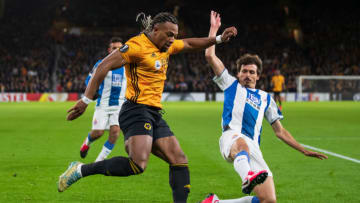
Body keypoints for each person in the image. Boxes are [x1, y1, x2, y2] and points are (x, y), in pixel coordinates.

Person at [58, 11, 237, 203]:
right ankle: (80, 170)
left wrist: (218, 39)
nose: (172, 39)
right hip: (135, 110)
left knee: (179, 159)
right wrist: (85, 101)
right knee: (138, 164)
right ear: (155, 29)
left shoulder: (166, 45)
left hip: (153, 112)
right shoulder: (136, 46)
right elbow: (103, 66)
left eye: (174, 35)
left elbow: (190, 43)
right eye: (169, 34)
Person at [200, 12, 327, 203]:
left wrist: (303, 150)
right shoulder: (230, 85)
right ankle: (247, 177)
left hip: (252, 147)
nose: (248, 75)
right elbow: (210, 55)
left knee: (268, 200)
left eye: (252, 72)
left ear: (258, 76)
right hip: (232, 137)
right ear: (238, 73)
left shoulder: (267, 98)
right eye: (244, 71)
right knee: (241, 143)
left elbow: (280, 131)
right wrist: (214, 30)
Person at [80, 37, 126, 162]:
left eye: (120, 48)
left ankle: (99, 161)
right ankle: (87, 142)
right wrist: (93, 93)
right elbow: (89, 81)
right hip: (103, 104)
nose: (117, 50)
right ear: (109, 50)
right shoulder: (101, 64)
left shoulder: (128, 66)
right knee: (98, 133)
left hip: (119, 105)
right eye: (114, 48)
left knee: (115, 132)